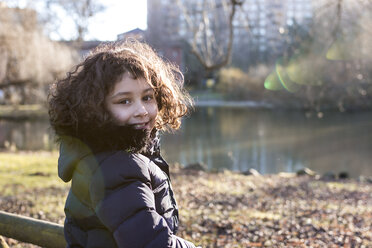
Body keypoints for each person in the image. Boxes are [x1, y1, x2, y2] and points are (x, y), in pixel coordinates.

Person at [48, 40, 199, 248]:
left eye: (147, 97)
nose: (142, 111)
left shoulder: (102, 156)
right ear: (96, 110)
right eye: (124, 101)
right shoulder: (118, 168)